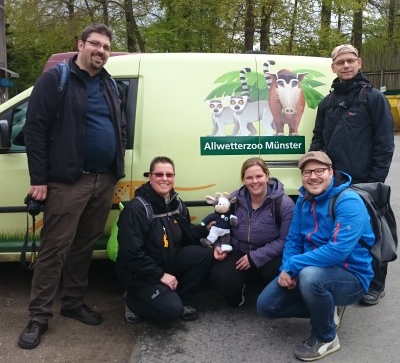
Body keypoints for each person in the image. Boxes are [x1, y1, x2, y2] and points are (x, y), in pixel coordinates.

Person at [18, 23, 126, 349]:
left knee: (83, 246)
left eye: (106, 47)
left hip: (103, 179)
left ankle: (73, 302)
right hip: (68, 181)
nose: (101, 51)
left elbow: (118, 124)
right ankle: (38, 317)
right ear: (80, 44)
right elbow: (34, 131)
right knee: (54, 249)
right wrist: (39, 179)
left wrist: (115, 165)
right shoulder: (56, 80)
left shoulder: (109, 83)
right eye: (95, 44)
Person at [257, 151, 375, 361]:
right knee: (266, 306)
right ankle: (327, 310)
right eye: (307, 172)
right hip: (311, 270)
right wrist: (286, 269)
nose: (313, 177)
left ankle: (326, 337)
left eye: (319, 170)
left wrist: (294, 266)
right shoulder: (303, 200)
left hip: (352, 275)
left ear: (331, 172)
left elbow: (338, 250)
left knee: (311, 277)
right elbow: (293, 240)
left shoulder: (348, 201)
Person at [310, 44, 394, 306]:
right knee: (340, 233)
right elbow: (318, 139)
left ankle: (376, 285)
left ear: (359, 63)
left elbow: (384, 143)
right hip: (333, 183)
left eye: (350, 61)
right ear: (333, 67)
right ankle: (349, 276)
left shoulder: (373, 98)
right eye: (340, 62)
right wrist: (315, 168)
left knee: (372, 234)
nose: (345, 65)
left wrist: (375, 181)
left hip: (365, 183)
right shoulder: (327, 103)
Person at [115, 156, 213, 323]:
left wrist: (205, 229)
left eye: (169, 174)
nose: (164, 179)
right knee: (170, 311)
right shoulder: (137, 208)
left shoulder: (176, 203)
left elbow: (187, 233)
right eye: (159, 174)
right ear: (150, 177)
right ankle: (132, 301)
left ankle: (182, 300)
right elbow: (130, 253)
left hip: (167, 261)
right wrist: (160, 275)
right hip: (140, 274)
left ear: (174, 177)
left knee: (204, 254)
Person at [208, 157, 295, 307]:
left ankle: (264, 293)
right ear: (243, 180)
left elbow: (285, 240)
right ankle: (239, 288)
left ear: (267, 176)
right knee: (221, 278)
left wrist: (255, 257)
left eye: (259, 176)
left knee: (275, 272)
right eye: (249, 177)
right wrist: (218, 245)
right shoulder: (234, 199)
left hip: (268, 254)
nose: (254, 181)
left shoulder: (284, 203)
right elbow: (221, 227)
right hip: (239, 249)